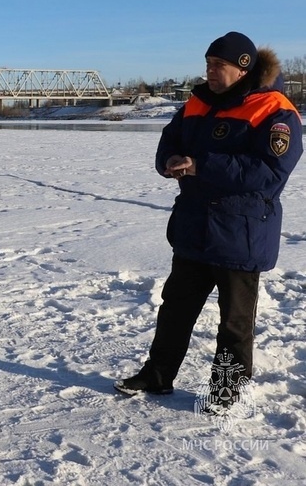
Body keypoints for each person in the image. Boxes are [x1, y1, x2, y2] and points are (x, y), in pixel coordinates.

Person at [114, 32, 302, 412]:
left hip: (240, 232)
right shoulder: (197, 103)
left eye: (219, 65)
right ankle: (158, 374)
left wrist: (202, 165)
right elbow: (170, 139)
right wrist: (168, 161)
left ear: (243, 68)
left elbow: (269, 171)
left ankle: (227, 392)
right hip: (194, 227)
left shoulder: (275, 110)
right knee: (174, 309)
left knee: (234, 322)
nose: (210, 72)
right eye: (208, 64)